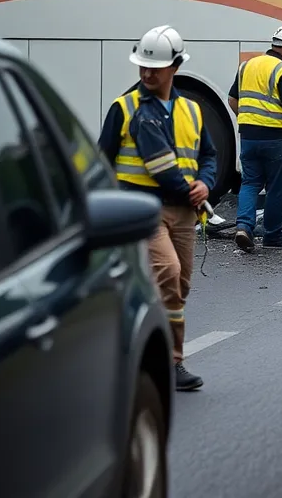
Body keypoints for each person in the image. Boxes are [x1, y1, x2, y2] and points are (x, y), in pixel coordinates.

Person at [98, 25, 216, 392]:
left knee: (178, 286)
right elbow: (102, 160)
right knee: (168, 272)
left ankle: (162, 358)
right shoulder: (125, 108)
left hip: (183, 215)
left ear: (175, 66)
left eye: (155, 68)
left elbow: (208, 156)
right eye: (142, 67)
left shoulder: (192, 111)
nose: (147, 74)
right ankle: (167, 362)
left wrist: (206, 184)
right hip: (142, 211)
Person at [228, 24, 282, 252]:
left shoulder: (247, 66)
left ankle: (244, 227)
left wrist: (249, 119)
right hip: (276, 139)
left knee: (250, 182)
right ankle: (273, 236)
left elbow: (233, 100)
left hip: (249, 137)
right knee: (275, 187)